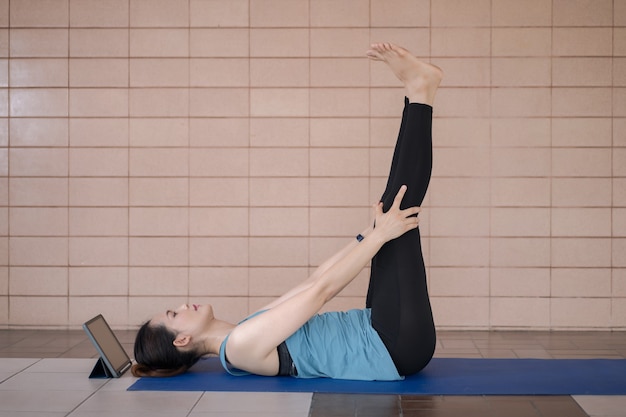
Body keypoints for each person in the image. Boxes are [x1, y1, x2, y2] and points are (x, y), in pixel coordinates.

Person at [132, 42, 443, 381]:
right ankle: (420, 91)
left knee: (388, 210)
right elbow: (321, 292)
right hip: (392, 344)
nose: (181, 307)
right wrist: (378, 236)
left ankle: (416, 91)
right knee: (399, 206)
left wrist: (368, 235)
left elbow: (314, 279)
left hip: (382, 332)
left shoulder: (245, 330)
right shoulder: (239, 346)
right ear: (182, 339)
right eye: (172, 314)